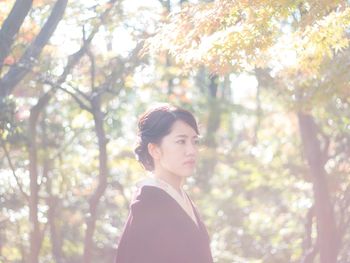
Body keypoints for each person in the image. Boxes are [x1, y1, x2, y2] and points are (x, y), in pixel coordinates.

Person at [115, 103, 214, 263]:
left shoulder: (178, 198)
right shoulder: (148, 206)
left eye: (194, 141)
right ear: (155, 150)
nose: (192, 150)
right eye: (181, 141)